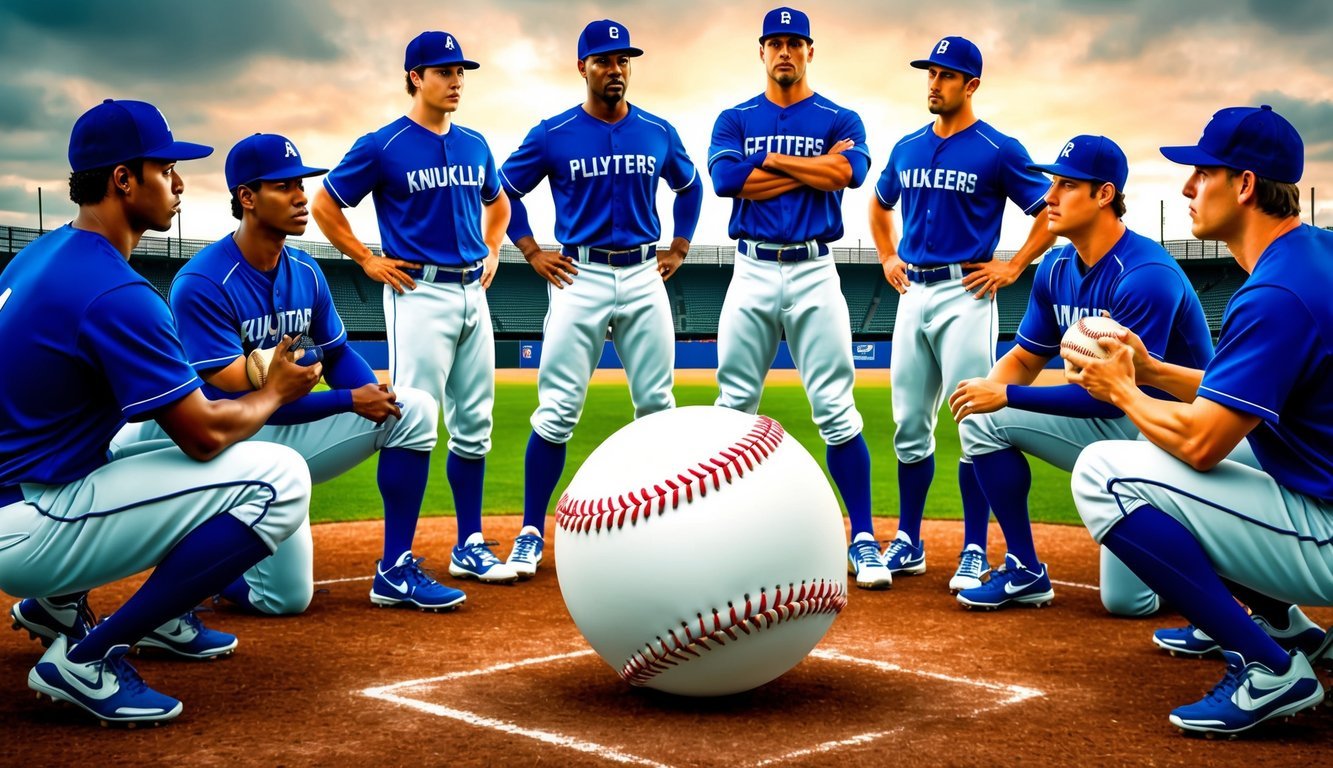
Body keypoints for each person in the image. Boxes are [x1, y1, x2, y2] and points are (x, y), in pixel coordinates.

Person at [0, 99, 316, 725]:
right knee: (280, 480)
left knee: (139, 433)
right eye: (165, 168)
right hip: (29, 520)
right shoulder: (115, 291)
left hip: (18, 494)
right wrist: (275, 389)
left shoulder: (39, 256)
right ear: (123, 179)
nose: (178, 182)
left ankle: (57, 605)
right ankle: (88, 658)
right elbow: (203, 436)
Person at [1066, 105, 1331, 736]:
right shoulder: (1312, 257)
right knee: (1207, 444)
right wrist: (1152, 371)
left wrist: (1121, 391)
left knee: (1104, 472)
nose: (1187, 188)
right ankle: (1286, 626)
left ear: (1243, 185)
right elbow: (1245, 399)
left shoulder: (1274, 295)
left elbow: (1206, 442)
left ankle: (1269, 667)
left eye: (1201, 173)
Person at [113, 133, 457, 612]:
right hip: (217, 446)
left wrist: (369, 393)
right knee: (286, 600)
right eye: (284, 186)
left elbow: (336, 356)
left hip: (274, 430)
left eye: (301, 184)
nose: (301, 197)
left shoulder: (307, 271)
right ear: (247, 197)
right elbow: (227, 405)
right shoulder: (203, 282)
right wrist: (347, 402)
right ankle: (202, 571)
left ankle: (395, 569)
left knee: (412, 408)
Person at [946, 135, 1214, 613]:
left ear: (1104, 195)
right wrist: (990, 387)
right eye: (1052, 184)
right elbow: (1026, 358)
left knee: (1127, 602)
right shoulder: (1056, 266)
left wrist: (1004, 395)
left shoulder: (1144, 273)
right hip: (1125, 423)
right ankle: (1025, 570)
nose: (1049, 196)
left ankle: (1203, 553)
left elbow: (1112, 394)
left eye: (1066, 185)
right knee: (979, 420)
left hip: (1177, 432)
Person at [311, 31, 517, 583]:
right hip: (418, 292)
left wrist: (495, 247)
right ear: (414, 77)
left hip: (475, 290)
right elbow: (325, 203)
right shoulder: (383, 144)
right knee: (415, 418)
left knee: (475, 425)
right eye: (444, 71)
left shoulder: (475, 143)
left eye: (460, 71)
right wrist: (364, 259)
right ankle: (395, 560)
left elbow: (500, 206)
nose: (455, 81)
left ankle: (469, 542)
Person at [499, 20, 702, 577]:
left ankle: (663, 528)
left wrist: (680, 245)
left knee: (658, 407)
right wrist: (531, 250)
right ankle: (530, 531)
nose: (615, 69)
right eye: (604, 60)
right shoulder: (552, 133)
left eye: (623, 60)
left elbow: (690, 186)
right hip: (578, 275)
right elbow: (503, 189)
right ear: (582, 66)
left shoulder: (657, 129)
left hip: (643, 274)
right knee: (558, 410)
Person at [707, 7, 890, 590]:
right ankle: (719, 533)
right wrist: (817, 168)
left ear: (811, 50)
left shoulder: (841, 115)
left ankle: (861, 536)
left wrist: (770, 162)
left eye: (795, 42)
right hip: (752, 267)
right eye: (775, 42)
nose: (785, 51)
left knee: (836, 408)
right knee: (733, 404)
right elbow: (726, 182)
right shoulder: (734, 117)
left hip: (815, 268)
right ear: (760, 51)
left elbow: (850, 176)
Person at [869, 36, 1055, 592]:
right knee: (908, 424)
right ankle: (909, 539)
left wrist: (1014, 265)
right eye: (930, 72)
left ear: (971, 85)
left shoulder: (999, 148)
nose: (934, 82)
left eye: (946, 75)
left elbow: (1049, 212)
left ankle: (975, 546)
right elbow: (878, 205)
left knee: (973, 423)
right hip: (913, 293)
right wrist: (885, 254)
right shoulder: (906, 146)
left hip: (965, 293)